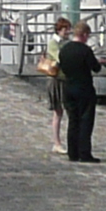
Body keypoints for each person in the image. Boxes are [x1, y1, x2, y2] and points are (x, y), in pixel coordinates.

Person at [55, 23, 102, 162]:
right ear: (85, 35)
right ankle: (84, 153)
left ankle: (72, 152)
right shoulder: (85, 50)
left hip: (68, 87)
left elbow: (61, 66)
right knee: (86, 121)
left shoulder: (64, 49)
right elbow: (96, 68)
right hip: (84, 88)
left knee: (73, 120)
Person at [40, 19, 73, 154]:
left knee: (67, 110)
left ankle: (68, 140)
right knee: (58, 111)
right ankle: (57, 142)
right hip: (55, 79)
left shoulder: (67, 42)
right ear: (59, 30)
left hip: (65, 79)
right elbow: (60, 58)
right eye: (66, 30)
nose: (68, 32)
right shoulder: (53, 43)